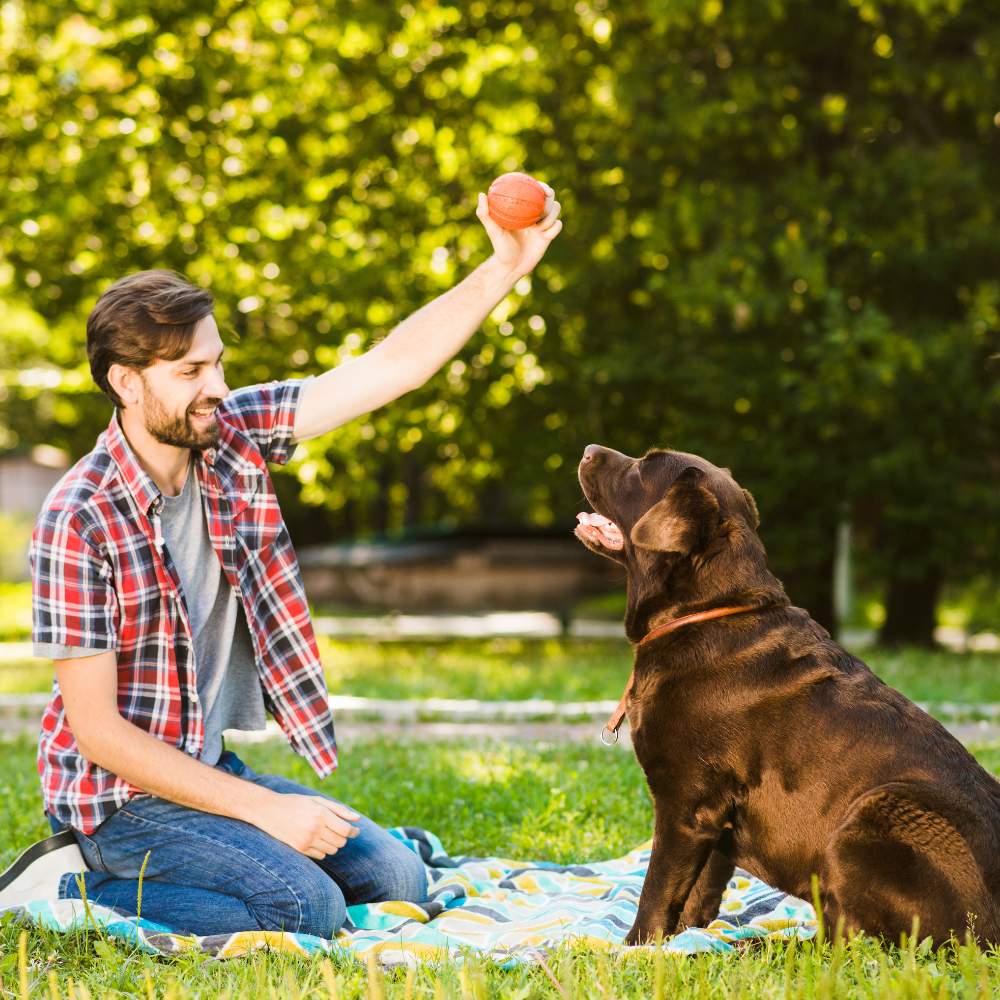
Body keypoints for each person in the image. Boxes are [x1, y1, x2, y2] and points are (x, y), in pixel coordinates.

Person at [0, 190, 562, 936]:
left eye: (217, 363)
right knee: (305, 907)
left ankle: (228, 846)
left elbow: (392, 369)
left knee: (398, 876)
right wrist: (266, 810)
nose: (217, 387)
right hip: (116, 803)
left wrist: (505, 267)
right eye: (191, 371)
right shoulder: (79, 517)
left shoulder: (229, 433)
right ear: (126, 383)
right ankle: (70, 888)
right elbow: (98, 733)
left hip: (203, 770)